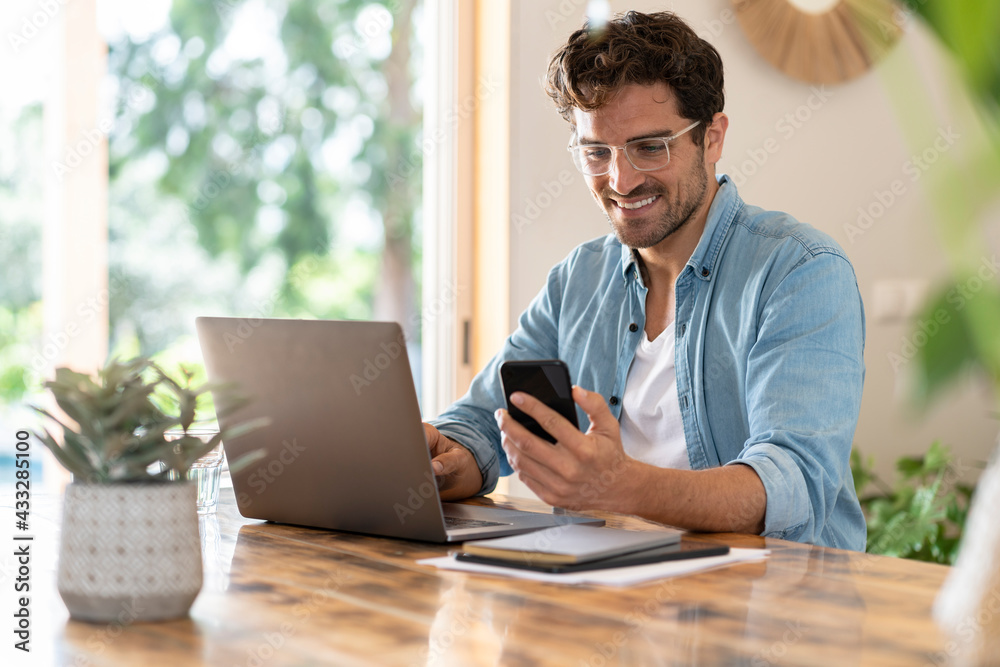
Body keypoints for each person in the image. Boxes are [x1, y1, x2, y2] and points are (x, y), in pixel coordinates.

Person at [423, 10, 866, 550]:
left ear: (712, 137)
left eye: (650, 147)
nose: (621, 179)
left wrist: (622, 487)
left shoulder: (800, 271)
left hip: (766, 607)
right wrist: (443, 458)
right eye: (596, 153)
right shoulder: (579, 279)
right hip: (603, 600)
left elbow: (793, 483)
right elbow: (484, 425)